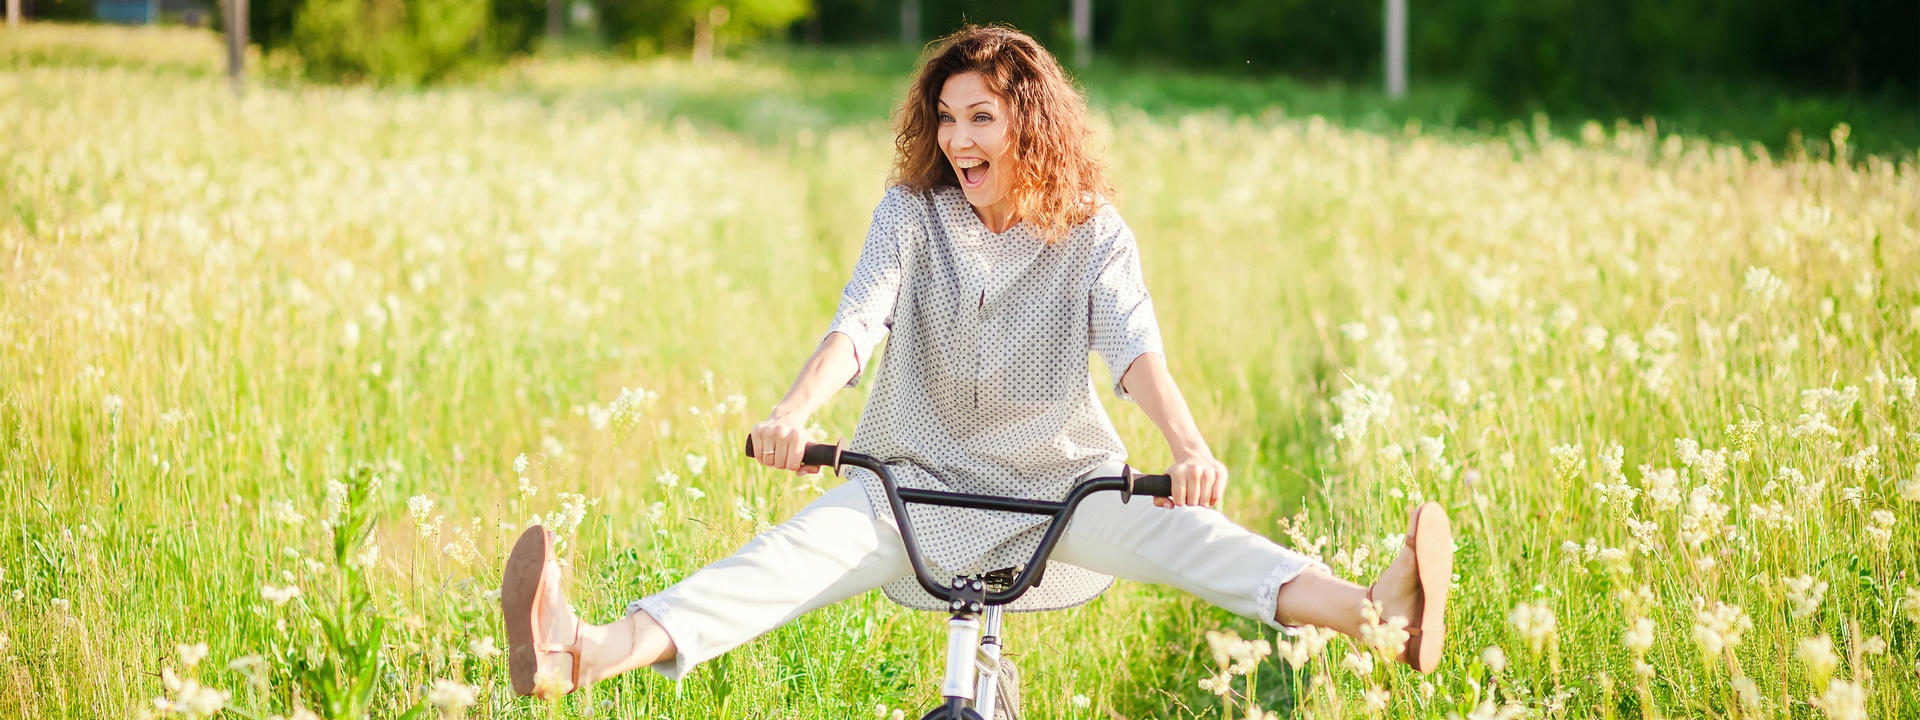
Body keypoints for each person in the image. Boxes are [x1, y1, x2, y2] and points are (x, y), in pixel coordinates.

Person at [500, 24, 1453, 699]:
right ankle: (579, 653)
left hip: (1057, 486)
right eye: (947, 118)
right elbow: (859, 322)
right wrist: (793, 413)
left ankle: (1379, 616)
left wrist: (1188, 446)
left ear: (1029, 124)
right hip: (909, 481)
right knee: (779, 563)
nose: (958, 139)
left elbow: (1132, 346)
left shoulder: (1092, 233)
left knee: (1192, 541)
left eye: (982, 117)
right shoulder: (911, 214)